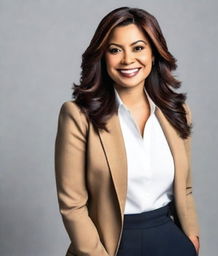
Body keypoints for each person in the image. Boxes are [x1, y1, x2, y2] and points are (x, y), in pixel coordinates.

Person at [54, 6, 200, 256]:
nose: (127, 59)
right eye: (114, 50)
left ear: (154, 53)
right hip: (108, 247)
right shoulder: (77, 116)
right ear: (102, 57)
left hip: (170, 241)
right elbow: (72, 205)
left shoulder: (177, 112)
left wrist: (192, 238)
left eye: (138, 47)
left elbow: (184, 189)